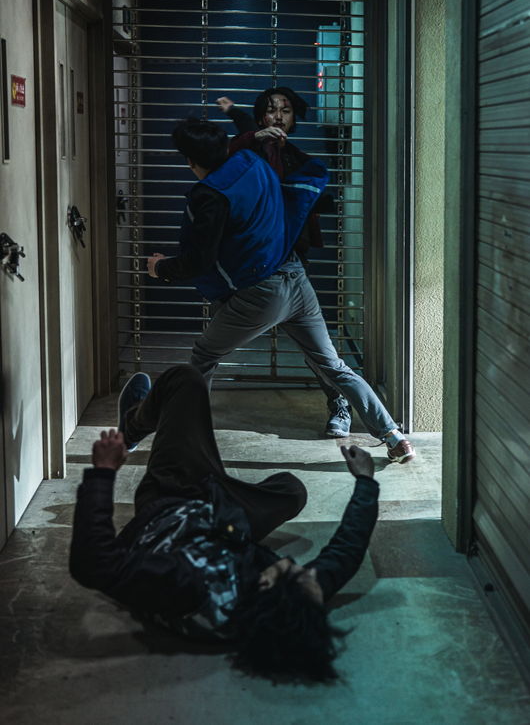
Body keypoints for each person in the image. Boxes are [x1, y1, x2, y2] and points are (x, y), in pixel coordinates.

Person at [69, 364, 380, 681]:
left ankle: (131, 428)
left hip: (173, 500)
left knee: (186, 381)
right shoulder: (285, 606)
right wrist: (366, 481)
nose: (297, 565)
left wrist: (102, 473)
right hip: (225, 525)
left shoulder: (187, 584)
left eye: (293, 571)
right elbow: (346, 552)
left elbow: (94, 564)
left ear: (264, 584)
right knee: (292, 491)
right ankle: (217, 478)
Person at [147, 117, 415, 462]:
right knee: (334, 366)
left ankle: (183, 441)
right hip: (296, 279)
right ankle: (394, 437)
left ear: (189, 160)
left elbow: (199, 260)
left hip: (261, 294)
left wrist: (160, 268)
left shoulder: (210, 195)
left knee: (203, 357)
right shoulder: (251, 162)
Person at [217, 87, 352, 438]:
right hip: (245, 259)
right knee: (212, 343)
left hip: (288, 260)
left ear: (294, 117)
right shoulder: (248, 149)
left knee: (315, 346)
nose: (278, 116)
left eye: (286, 110)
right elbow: (225, 158)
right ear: (261, 117)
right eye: (271, 110)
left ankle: (339, 403)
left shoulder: (298, 158)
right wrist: (249, 131)